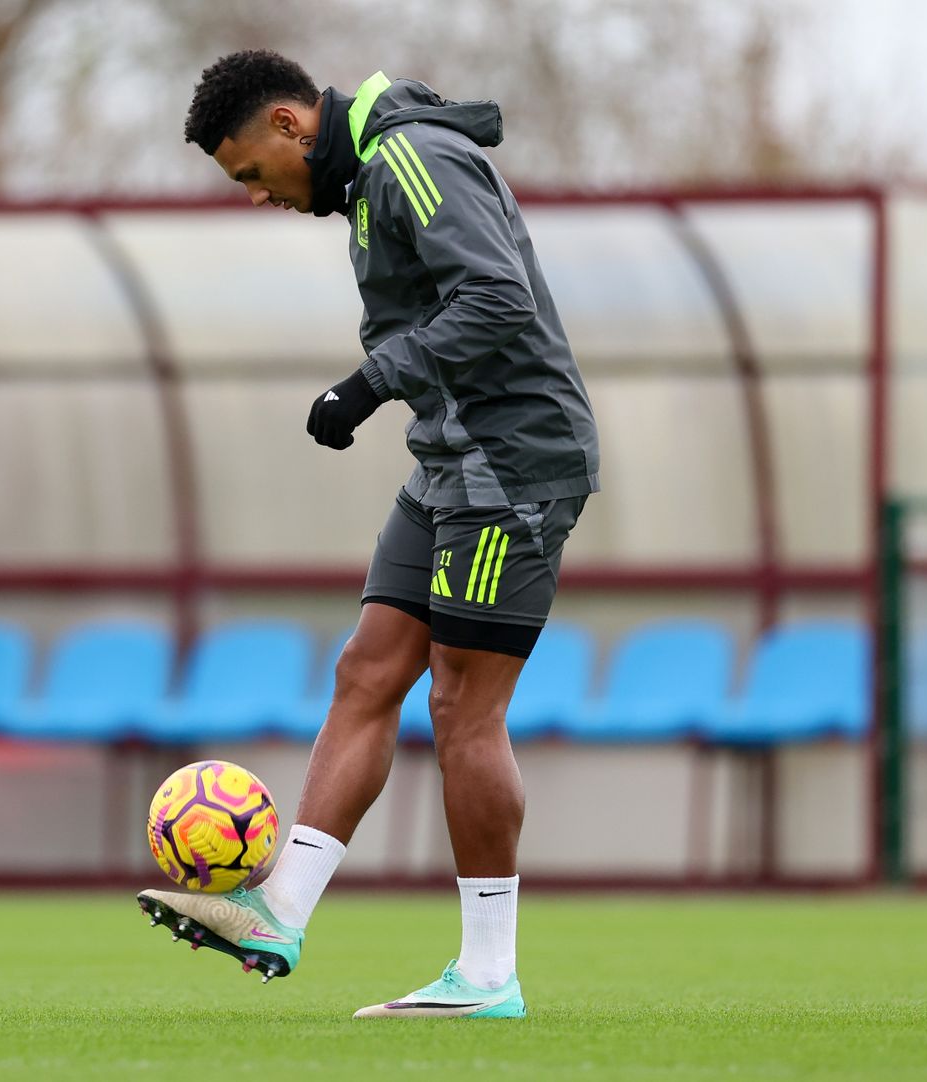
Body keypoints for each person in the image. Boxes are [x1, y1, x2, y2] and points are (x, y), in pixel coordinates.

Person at [137, 49, 598, 1022]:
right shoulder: (370, 184)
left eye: (254, 175)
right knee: (367, 670)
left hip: (513, 462)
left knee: (463, 706)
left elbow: (499, 296)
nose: (259, 196)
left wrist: (368, 383)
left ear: (291, 127)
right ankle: (279, 910)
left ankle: (486, 975)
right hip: (449, 460)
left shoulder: (408, 159)